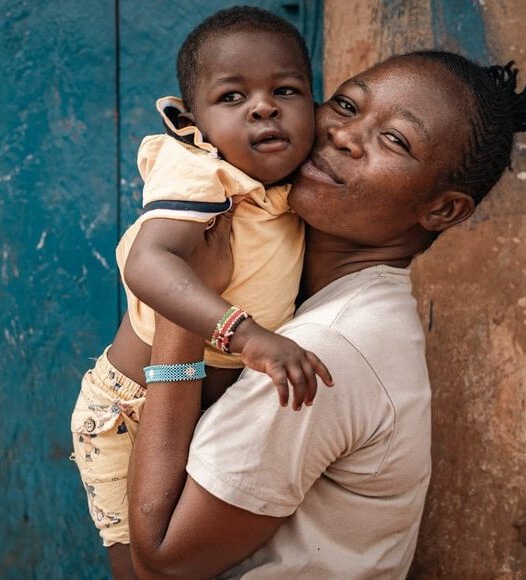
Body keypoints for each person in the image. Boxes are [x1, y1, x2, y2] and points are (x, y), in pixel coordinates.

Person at [127, 52, 526, 579]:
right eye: (346, 105)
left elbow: (160, 562)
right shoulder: (323, 302)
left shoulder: (319, 353)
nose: (345, 136)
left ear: (442, 210)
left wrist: (181, 311)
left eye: (395, 140)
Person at [70, 7, 333, 577]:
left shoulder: (288, 186)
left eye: (284, 90)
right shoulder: (199, 171)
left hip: (210, 410)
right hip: (132, 410)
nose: (263, 106)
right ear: (192, 123)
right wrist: (248, 336)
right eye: (232, 98)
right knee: (140, 567)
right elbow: (149, 262)